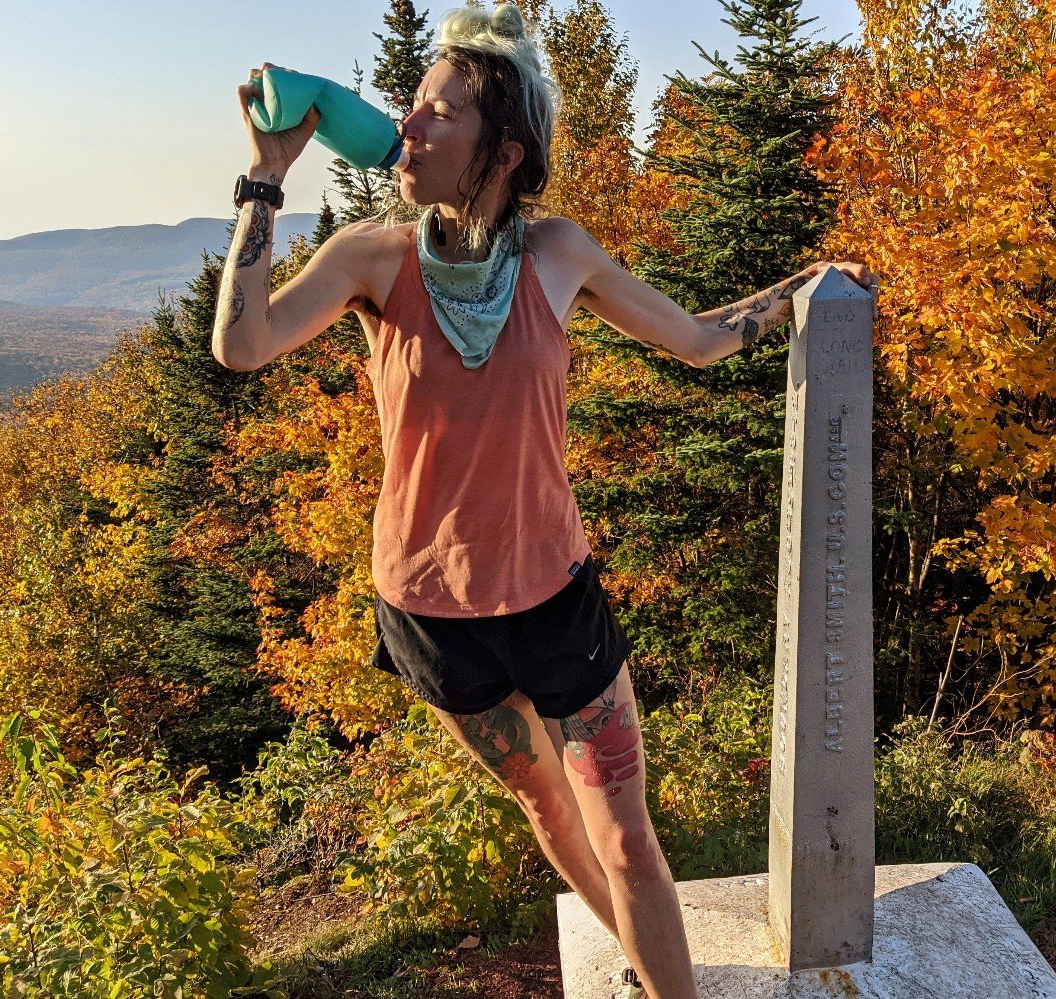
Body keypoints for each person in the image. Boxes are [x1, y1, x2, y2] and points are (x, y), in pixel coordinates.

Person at [213, 6, 878, 997]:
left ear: (504, 149)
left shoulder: (558, 254)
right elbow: (242, 343)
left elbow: (694, 341)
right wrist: (267, 177)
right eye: (412, 107)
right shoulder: (372, 257)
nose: (410, 127)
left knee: (627, 838)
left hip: (554, 603)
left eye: (440, 114)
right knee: (547, 814)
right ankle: (651, 969)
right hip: (432, 615)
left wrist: (804, 289)